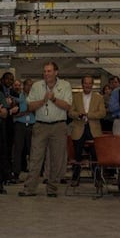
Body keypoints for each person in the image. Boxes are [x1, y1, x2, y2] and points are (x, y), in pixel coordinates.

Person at [18, 61, 73, 198]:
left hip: (59, 126)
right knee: (35, 157)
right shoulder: (37, 86)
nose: (46, 74)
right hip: (40, 125)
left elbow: (67, 106)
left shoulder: (65, 85)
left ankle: (52, 189)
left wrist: (53, 99)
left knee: (57, 159)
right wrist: (43, 101)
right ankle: (29, 189)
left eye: (49, 71)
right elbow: (29, 106)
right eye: (45, 71)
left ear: (56, 72)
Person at [67, 75, 105, 186]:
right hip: (79, 128)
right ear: (82, 84)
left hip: (94, 129)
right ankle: (75, 177)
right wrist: (78, 115)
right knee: (77, 155)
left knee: (95, 155)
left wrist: (89, 115)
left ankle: (97, 178)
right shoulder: (75, 97)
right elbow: (70, 112)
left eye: (89, 83)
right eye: (85, 83)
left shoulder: (99, 98)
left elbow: (102, 113)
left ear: (92, 85)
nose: (87, 85)